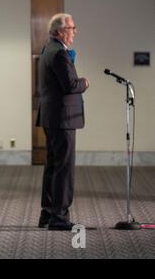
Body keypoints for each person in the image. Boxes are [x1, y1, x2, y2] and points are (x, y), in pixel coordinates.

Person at [36, 13, 89, 231]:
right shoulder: (59, 53)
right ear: (60, 31)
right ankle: (59, 218)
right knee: (64, 169)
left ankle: (48, 214)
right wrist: (84, 83)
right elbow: (70, 85)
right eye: (71, 28)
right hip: (63, 118)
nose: (75, 31)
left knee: (53, 166)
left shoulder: (48, 49)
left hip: (53, 117)